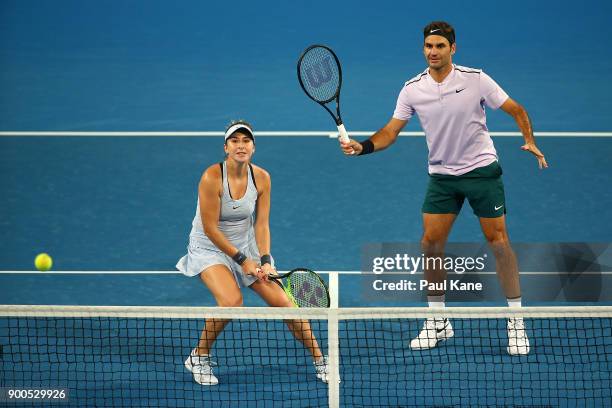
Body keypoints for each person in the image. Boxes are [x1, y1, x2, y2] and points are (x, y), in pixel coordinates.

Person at [340, 21, 548, 356]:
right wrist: (362, 147)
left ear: (453, 48)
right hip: (442, 177)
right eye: (428, 46)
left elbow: (516, 109)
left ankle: (516, 322)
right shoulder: (412, 89)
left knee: (499, 243)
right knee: (430, 244)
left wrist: (529, 140)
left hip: (481, 171)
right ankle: (438, 320)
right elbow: (391, 131)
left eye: (439, 46)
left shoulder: (476, 79)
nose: (433, 52)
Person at [177, 120, 330, 385]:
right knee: (231, 302)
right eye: (234, 141)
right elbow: (211, 229)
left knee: (285, 304)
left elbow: (261, 224)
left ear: (253, 147)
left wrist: (266, 260)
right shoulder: (211, 177)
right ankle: (198, 357)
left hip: (245, 244)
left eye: (246, 141)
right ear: (225, 147)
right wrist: (242, 261)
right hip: (209, 246)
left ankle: (320, 360)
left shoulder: (262, 178)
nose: (240, 145)